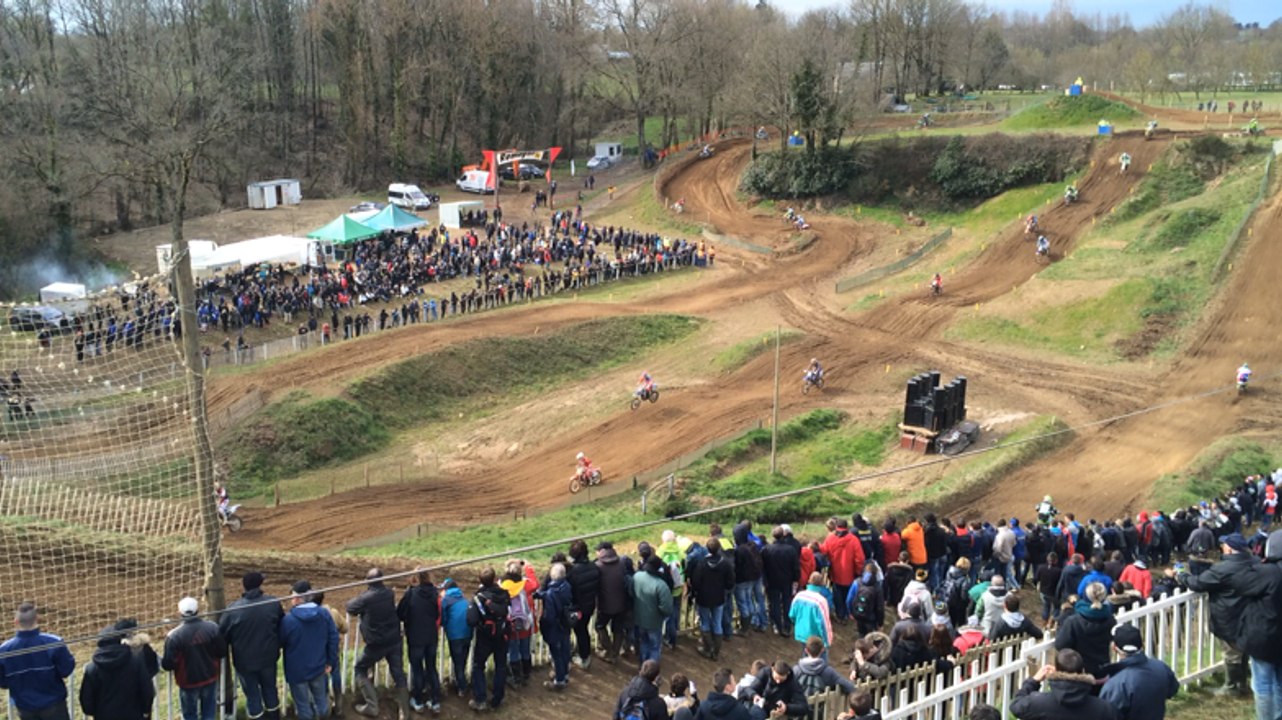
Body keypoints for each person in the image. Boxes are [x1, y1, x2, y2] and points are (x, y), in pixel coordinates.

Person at [1181, 532, 1261, 697]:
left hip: (1229, 616)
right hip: (1251, 615)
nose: (1221, 548)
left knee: (1231, 653)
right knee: (1243, 650)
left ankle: (1232, 687)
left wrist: (1181, 576)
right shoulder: (1256, 563)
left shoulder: (1223, 569)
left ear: (1230, 550)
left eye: (1224, 546)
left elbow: (1197, 582)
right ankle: (1241, 684)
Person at [219, 571, 284, 720]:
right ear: (260, 584)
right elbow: (281, 624)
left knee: (252, 694)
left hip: (244, 662)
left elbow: (222, 634)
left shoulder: (232, 610)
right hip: (268, 658)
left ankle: (258, 716)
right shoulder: (272, 603)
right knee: (270, 689)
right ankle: (274, 717)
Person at [346, 568, 410, 719]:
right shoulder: (389, 593)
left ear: (368, 582)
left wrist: (362, 596)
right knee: (398, 673)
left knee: (359, 669)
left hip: (377, 644)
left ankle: (372, 706)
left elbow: (350, 607)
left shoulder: (366, 598)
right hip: (394, 640)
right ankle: (404, 713)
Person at [1, 602, 76, 720]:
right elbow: (66, 670)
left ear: (15, 622)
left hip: (25, 708)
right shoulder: (54, 643)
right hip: (54, 704)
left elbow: (3, 682)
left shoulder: (4, 650)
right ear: (37, 619)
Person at [280, 581, 340, 720]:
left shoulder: (288, 620)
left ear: (296, 598)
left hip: (297, 671)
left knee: (303, 706)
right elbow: (333, 638)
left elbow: (281, 641)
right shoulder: (324, 614)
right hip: (319, 666)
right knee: (321, 702)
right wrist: (330, 661)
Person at [161, 597, 226, 720]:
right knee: (209, 713)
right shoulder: (212, 628)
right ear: (198, 610)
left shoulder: (174, 636)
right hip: (210, 677)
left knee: (190, 715)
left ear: (180, 613)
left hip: (188, 682)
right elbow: (222, 651)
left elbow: (168, 664)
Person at [80, 621, 159, 720]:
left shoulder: (91, 669)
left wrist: (97, 713)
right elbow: (146, 690)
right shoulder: (136, 662)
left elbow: (87, 700)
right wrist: (146, 711)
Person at [1010, 649, 1118, 720]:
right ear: (1083, 671)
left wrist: (1033, 681)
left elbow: (1016, 705)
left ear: (1056, 671)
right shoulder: (1104, 708)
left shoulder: (1037, 703)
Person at [1099, 625, 1178, 720]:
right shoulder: (1161, 668)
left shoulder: (1115, 684)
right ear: (1141, 645)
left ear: (1114, 648)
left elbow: (1106, 714)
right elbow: (1173, 689)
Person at [397, 569, 442, 713]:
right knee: (431, 668)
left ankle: (418, 700)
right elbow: (437, 613)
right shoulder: (435, 594)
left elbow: (400, 613)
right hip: (431, 636)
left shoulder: (411, 594)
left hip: (416, 637)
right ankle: (435, 701)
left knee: (417, 670)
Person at [466, 567, 511, 711]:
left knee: (478, 666)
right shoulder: (504, 594)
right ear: (494, 578)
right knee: (501, 666)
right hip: (502, 634)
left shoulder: (479, 598)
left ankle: (481, 699)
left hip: (485, 636)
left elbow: (471, 620)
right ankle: (497, 699)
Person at [1055, 582, 1116, 681]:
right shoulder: (1110, 619)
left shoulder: (1073, 621)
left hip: (1080, 673)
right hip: (1102, 671)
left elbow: (1060, 645)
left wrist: (1060, 629)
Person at [691, 538, 736, 661]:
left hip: (704, 597)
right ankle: (716, 651)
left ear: (707, 548)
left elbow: (696, 582)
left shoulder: (702, 563)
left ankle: (708, 649)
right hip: (719, 597)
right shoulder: (725, 563)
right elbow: (730, 581)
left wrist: (697, 591)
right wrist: (724, 589)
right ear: (719, 548)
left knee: (705, 622)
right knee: (717, 623)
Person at [498, 560, 538, 688]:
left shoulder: (502, 585)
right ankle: (526, 674)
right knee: (525, 649)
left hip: (512, 623)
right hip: (525, 624)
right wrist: (528, 567)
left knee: (513, 651)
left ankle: (516, 678)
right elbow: (535, 584)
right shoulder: (525, 585)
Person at [537, 562, 575, 691]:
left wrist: (542, 623)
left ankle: (559, 681)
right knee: (565, 650)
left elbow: (549, 616)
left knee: (556, 654)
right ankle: (564, 674)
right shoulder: (567, 586)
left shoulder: (550, 594)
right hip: (565, 624)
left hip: (555, 627)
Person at [634, 555, 676, 665]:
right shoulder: (660, 585)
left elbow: (631, 592)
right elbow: (667, 608)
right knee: (654, 647)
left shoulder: (637, 576)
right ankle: (652, 672)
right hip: (654, 622)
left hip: (639, 619)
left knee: (644, 643)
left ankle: (643, 667)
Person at [738, 660, 810, 718]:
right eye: (776, 678)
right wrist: (754, 695)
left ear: (787, 674)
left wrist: (787, 708)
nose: (778, 682)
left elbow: (803, 707)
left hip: (778, 714)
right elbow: (749, 689)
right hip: (761, 708)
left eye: (781, 680)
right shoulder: (765, 672)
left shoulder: (793, 683)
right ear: (772, 669)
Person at [440, 579, 472, 697]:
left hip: (455, 635)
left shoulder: (446, 600)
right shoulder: (464, 599)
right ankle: (460, 681)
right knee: (462, 660)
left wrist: (445, 625)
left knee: (458, 662)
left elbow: (443, 618)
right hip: (467, 633)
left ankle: (462, 687)